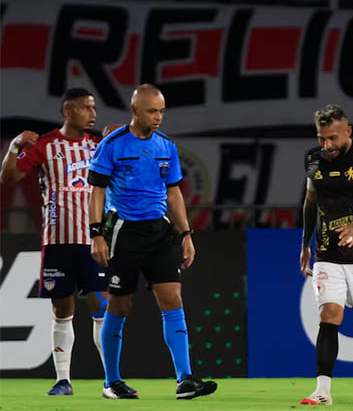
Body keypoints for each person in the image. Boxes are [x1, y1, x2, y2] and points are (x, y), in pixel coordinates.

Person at [87, 84, 217, 400]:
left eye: (161, 111)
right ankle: (111, 382)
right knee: (119, 304)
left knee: (173, 299)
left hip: (159, 232)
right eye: (152, 111)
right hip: (124, 232)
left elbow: (173, 192)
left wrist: (186, 235)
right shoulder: (112, 144)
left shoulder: (166, 146)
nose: (158, 117)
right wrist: (96, 234)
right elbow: (97, 191)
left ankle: (185, 379)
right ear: (134, 110)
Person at [0, 88, 107, 396]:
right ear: (68, 111)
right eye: (85, 108)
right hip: (58, 242)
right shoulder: (45, 145)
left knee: (103, 307)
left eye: (93, 107)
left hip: (92, 241)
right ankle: (63, 380)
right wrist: (14, 147)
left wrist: (121, 137)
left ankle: (112, 379)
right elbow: (8, 178)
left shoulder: (98, 146)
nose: (93, 114)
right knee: (62, 310)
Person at [299, 104, 353, 406]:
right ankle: (322, 390)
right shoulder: (313, 159)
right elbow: (310, 202)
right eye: (321, 138)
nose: (327, 145)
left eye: (333, 138)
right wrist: (305, 244)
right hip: (327, 252)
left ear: (348, 131)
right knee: (329, 314)